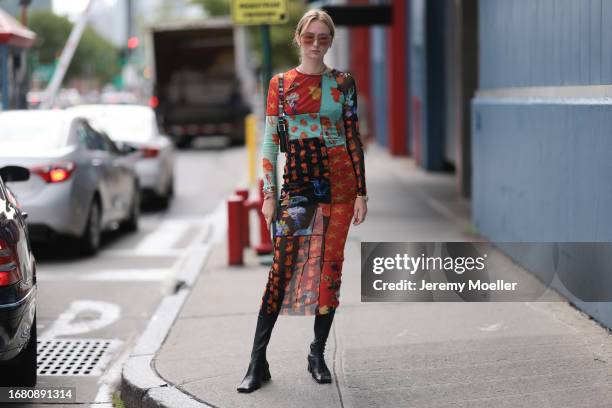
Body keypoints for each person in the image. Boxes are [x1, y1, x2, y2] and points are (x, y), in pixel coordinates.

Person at [237, 9, 368, 393]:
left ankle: (317, 353)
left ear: (330, 41)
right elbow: (270, 142)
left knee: (330, 270)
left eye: (323, 37)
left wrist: (361, 191)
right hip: (297, 188)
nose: (316, 43)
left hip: (341, 187)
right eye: (310, 36)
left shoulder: (342, 83)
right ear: (299, 38)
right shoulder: (281, 85)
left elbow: (352, 137)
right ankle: (257, 361)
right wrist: (268, 195)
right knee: (281, 271)